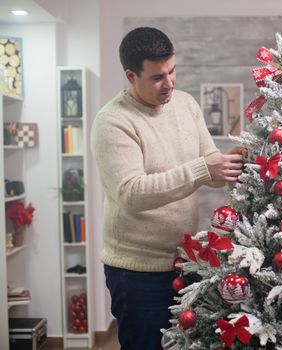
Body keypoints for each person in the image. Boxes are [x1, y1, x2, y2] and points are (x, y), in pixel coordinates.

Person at [91, 27, 244, 350]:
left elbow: (209, 167)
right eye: (158, 77)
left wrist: (230, 163)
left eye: (173, 71)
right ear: (131, 76)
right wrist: (206, 168)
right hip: (136, 273)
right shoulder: (112, 122)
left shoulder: (186, 104)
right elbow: (131, 193)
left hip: (187, 262)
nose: (170, 83)